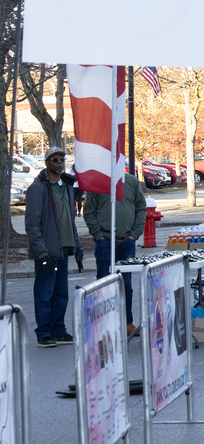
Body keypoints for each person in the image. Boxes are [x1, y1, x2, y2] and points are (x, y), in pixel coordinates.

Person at [82, 168, 146, 337]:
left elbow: (141, 208)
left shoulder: (131, 181)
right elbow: (88, 212)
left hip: (126, 242)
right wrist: (99, 236)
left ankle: (127, 322)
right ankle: (102, 323)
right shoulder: (97, 182)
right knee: (103, 283)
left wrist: (134, 234)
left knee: (126, 284)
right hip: (105, 242)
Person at [26, 148, 77, 347]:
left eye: (62, 159)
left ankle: (59, 329)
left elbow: (70, 219)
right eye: (55, 159)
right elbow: (32, 224)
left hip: (63, 248)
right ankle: (44, 333)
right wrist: (41, 252)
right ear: (47, 163)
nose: (60, 162)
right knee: (44, 293)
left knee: (61, 293)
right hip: (47, 251)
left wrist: (77, 245)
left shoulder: (66, 186)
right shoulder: (38, 188)